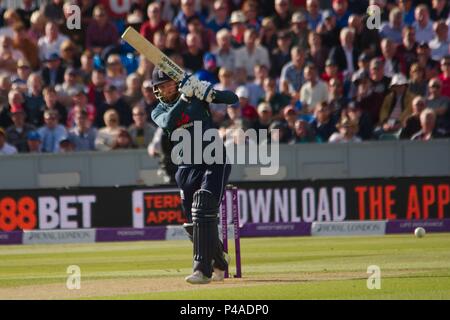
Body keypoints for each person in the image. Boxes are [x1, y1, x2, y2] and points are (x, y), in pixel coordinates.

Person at [150, 67, 238, 284]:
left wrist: (208, 92)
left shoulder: (195, 97)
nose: (167, 87)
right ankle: (219, 261)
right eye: (162, 86)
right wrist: (184, 98)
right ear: (157, 90)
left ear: (176, 83)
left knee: (203, 207)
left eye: (170, 83)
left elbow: (232, 98)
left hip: (214, 159)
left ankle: (202, 270)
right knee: (192, 225)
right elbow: (169, 122)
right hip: (186, 167)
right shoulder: (157, 111)